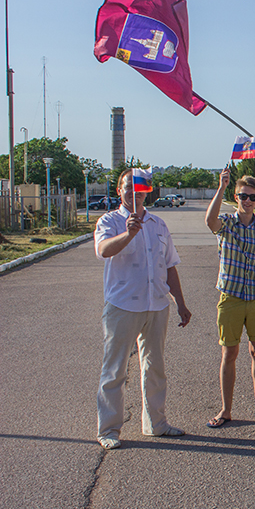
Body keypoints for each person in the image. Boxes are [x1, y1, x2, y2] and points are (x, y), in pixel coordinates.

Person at [95, 169, 192, 449]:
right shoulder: (110, 221)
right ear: (119, 191)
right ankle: (109, 429)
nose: (135, 193)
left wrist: (181, 303)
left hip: (157, 305)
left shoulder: (158, 224)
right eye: (128, 188)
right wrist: (128, 233)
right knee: (115, 370)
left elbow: (169, 265)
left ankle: (156, 423)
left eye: (141, 188)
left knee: (155, 367)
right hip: (123, 306)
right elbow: (104, 250)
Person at [205, 170, 255, 428]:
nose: (247, 201)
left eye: (252, 197)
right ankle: (226, 410)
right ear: (236, 197)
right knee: (230, 352)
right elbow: (210, 221)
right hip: (232, 297)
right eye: (243, 196)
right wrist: (221, 187)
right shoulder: (226, 223)